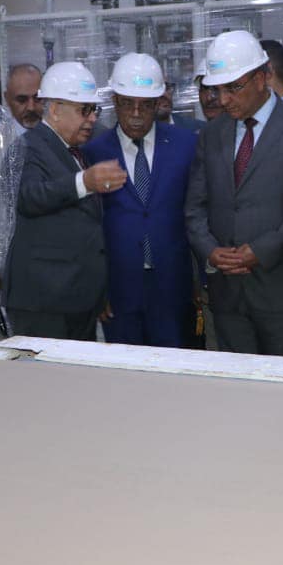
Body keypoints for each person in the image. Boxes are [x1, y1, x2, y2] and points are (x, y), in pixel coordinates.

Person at [185, 30, 283, 357]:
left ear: (262, 77)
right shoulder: (212, 133)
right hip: (228, 296)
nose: (223, 100)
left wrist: (263, 250)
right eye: (217, 89)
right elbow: (194, 207)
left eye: (233, 88)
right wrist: (210, 251)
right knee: (236, 385)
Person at [2, 62, 127, 340]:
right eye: (84, 110)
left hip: (77, 300)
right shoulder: (28, 146)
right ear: (56, 109)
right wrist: (84, 182)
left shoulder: (76, 151)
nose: (92, 119)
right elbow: (29, 196)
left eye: (94, 110)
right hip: (43, 303)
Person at [86, 53, 198, 348]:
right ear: (115, 101)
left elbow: (198, 213)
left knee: (174, 368)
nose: (136, 113)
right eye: (127, 103)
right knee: (124, 371)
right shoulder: (93, 152)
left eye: (145, 105)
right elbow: (88, 229)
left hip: (173, 288)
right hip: (118, 292)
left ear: (158, 103)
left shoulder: (186, 145)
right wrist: (97, 289)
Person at [3, 63, 43, 131]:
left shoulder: (59, 133)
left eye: (38, 98)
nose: (31, 108)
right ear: (7, 99)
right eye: (22, 100)